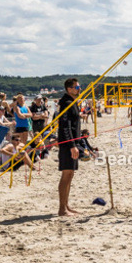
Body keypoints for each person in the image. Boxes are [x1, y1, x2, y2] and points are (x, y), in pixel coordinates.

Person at [57, 79, 82, 217]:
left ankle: (66, 205)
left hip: (73, 143)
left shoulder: (72, 102)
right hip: (67, 144)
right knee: (66, 175)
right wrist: (72, 145)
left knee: (70, 174)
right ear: (69, 89)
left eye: (79, 86)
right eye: (77, 87)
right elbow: (65, 126)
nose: (79, 89)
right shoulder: (66, 103)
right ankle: (62, 209)